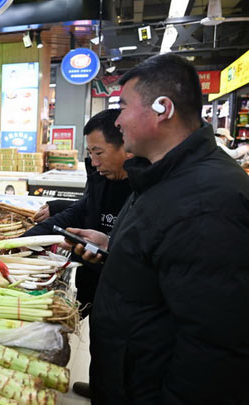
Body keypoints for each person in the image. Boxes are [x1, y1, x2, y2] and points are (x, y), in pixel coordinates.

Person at [68, 54, 249, 403]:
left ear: (162, 108)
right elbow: (166, 261)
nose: (117, 120)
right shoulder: (164, 175)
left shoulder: (208, 201)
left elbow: (214, 346)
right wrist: (113, 248)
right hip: (129, 375)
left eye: (123, 106)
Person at [23, 108, 133, 318]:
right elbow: (78, 211)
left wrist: (110, 248)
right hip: (90, 282)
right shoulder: (100, 179)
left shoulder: (145, 190)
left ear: (127, 146)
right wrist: (24, 242)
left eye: (98, 153)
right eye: (90, 154)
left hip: (123, 292)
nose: (93, 162)